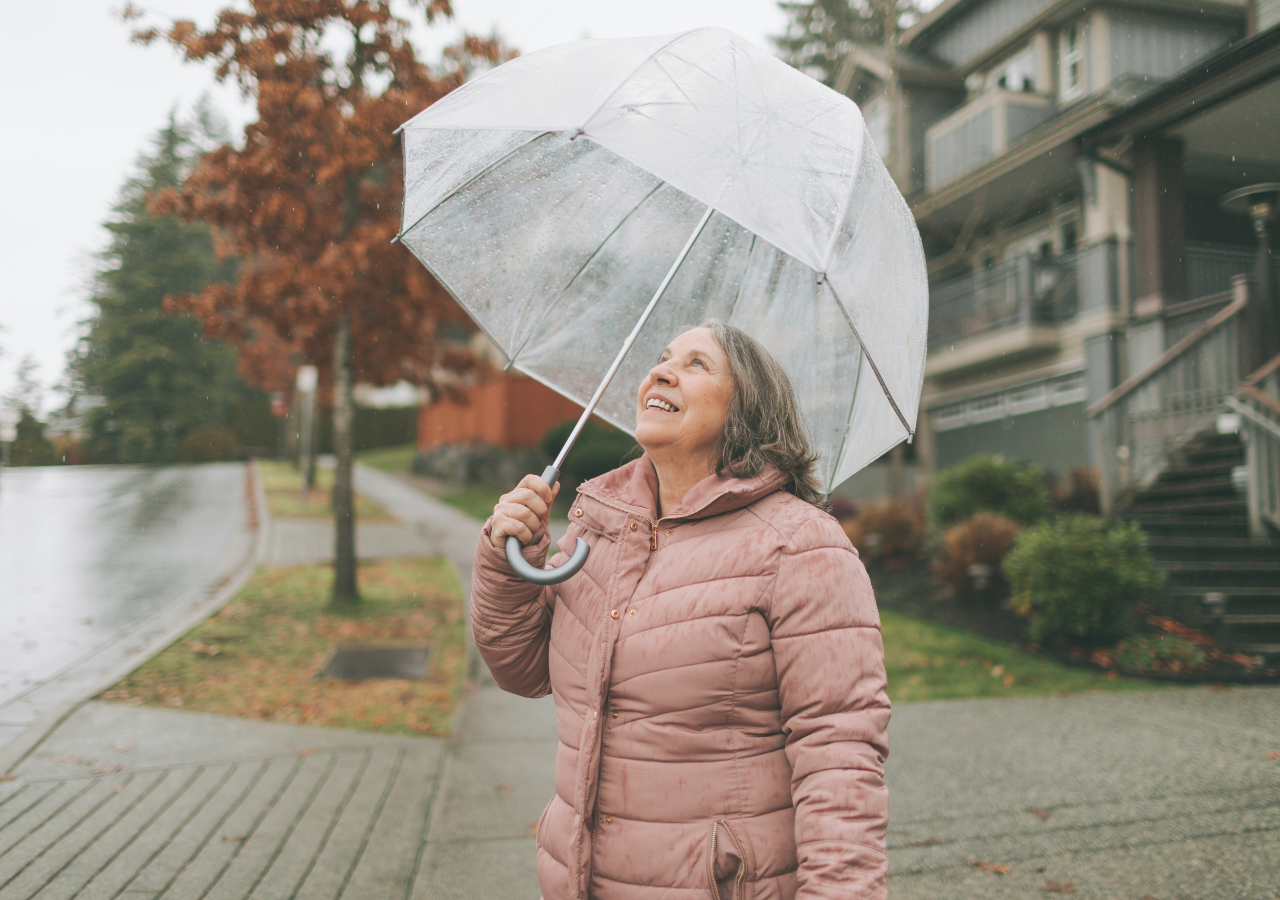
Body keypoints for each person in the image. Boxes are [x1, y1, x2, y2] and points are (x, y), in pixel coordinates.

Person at [472, 320, 890, 899]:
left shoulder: (799, 546)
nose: (661, 371)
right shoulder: (599, 528)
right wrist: (508, 558)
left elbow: (839, 757)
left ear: (749, 411)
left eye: (697, 364)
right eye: (664, 357)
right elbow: (521, 670)